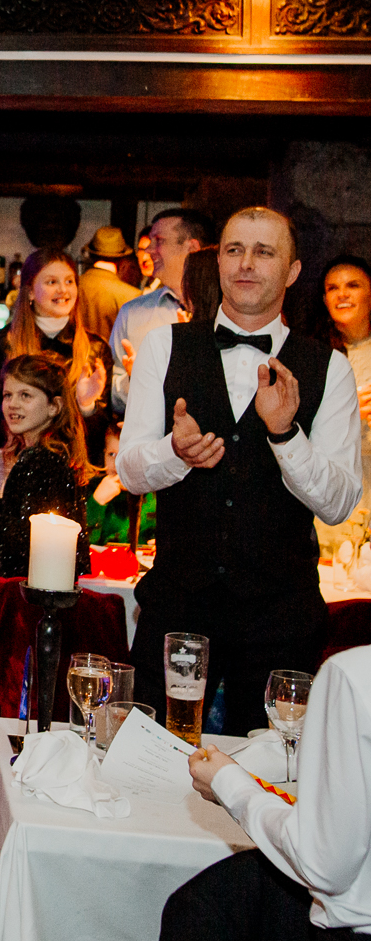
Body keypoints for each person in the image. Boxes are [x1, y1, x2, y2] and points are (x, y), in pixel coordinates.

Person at [118, 208, 363, 735]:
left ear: (293, 271)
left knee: (271, 792)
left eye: (264, 252)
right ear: (218, 261)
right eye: (234, 250)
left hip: (280, 623)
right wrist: (173, 454)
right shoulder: (165, 347)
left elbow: (340, 502)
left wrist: (285, 435)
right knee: (147, 768)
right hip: (178, 614)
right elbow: (131, 471)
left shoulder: (329, 367)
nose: (246, 264)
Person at [166, 645, 371, 939]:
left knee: (200, 906)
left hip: (352, 926)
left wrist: (227, 783)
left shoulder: (353, 675)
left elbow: (325, 866)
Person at [0, 354, 96, 578]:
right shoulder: (46, 455)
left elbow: (35, 543)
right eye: (8, 395)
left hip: (28, 599)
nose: (13, 404)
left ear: (54, 407)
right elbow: (29, 520)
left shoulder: (43, 461)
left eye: (25, 395)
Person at [0, 248, 107, 455]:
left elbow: (101, 436)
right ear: (30, 291)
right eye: (51, 282)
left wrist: (86, 405)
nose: (63, 290)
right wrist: (20, 406)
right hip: (15, 463)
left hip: (74, 467)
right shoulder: (2, 343)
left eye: (69, 281)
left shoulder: (95, 347)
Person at [110, 208, 215, 411]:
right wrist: (137, 381)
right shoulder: (133, 313)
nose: (148, 251)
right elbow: (114, 397)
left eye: (159, 241)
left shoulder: (226, 310)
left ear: (192, 248)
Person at [310, 254, 371, 555]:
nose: (342, 294)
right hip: (332, 495)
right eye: (333, 288)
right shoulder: (312, 357)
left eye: (353, 285)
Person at [85, 422, 156, 548]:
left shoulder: (155, 494)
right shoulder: (91, 488)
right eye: (112, 454)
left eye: (127, 455)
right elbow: (84, 543)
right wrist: (97, 502)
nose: (118, 464)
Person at [77, 227, 143, 344]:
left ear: (91, 256)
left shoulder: (72, 287)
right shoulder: (133, 295)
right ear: (123, 260)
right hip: (113, 361)